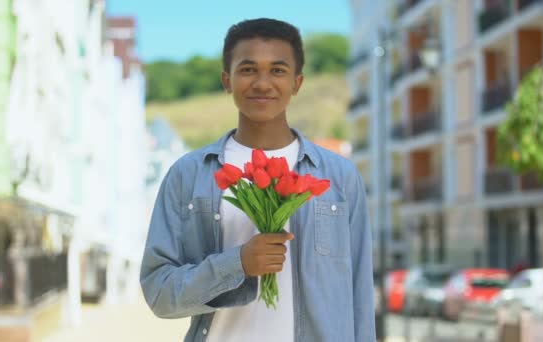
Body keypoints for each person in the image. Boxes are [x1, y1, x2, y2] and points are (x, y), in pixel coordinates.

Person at [140, 18, 376, 342]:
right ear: (227, 80)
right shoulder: (188, 174)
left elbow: (360, 295)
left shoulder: (340, 177)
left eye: (277, 70)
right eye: (248, 69)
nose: (262, 83)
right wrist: (236, 263)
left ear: (297, 82)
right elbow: (159, 293)